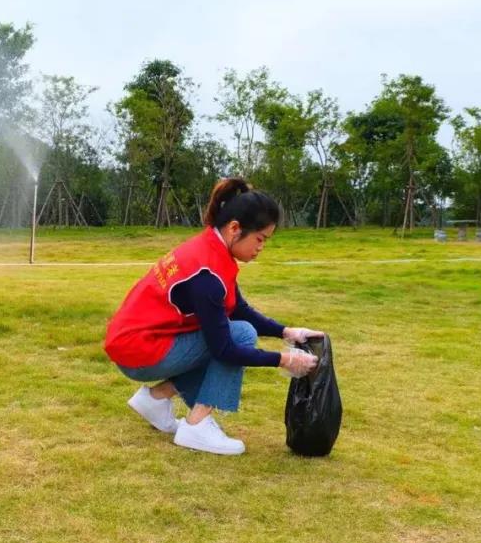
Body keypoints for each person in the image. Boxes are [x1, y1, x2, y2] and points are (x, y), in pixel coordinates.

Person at [103, 178, 322, 455]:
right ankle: (196, 426)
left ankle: (156, 399)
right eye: (260, 239)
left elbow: (237, 308)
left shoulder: (210, 248)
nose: (261, 247)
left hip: (135, 343)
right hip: (141, 352)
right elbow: (224, 349)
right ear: (234, 229)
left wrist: (287, 332)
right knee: (240, 335)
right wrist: (285, 360)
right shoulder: (207, 274)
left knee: (236, 330)